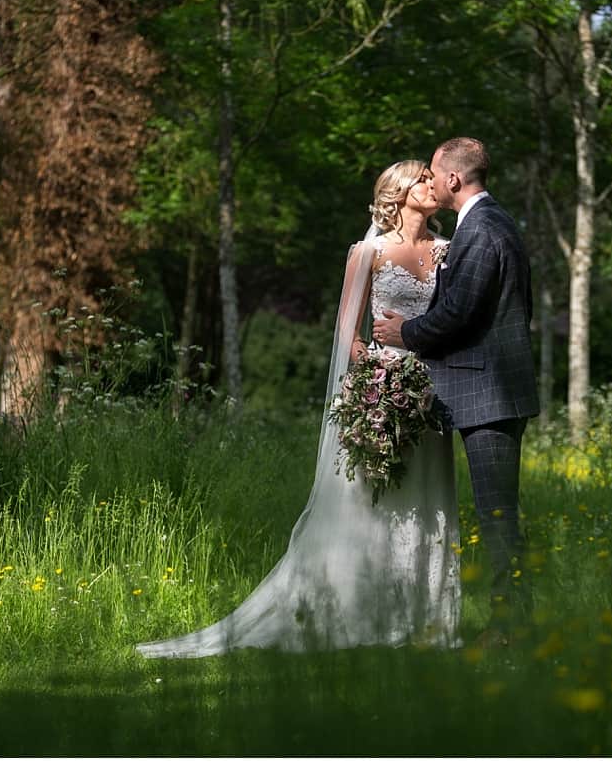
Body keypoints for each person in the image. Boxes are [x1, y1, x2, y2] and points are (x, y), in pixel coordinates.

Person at [137, 160, 460, 658]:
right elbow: (347, 335)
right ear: (397, 192)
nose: (432, 185)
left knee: (426, 497)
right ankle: (359, 612)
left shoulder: (447, 252)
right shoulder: (367, 254)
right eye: (421, 178)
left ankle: (424, 617)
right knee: (375, 502)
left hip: (433, 395)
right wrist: (381, 377)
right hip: (384, 393)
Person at [373, 137, 539, 648]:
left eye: (434, 172)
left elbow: (458, 313)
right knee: (497, 513)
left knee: (497, 515)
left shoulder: (482, 230)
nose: (430, 180)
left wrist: (406, 334)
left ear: (451, 180)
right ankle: (513, 624)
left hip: (489, 394)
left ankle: (511, 630)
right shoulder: (492, 223)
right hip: (489, 390)